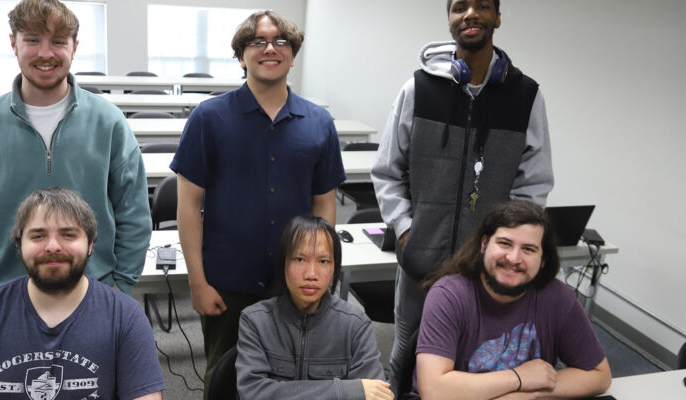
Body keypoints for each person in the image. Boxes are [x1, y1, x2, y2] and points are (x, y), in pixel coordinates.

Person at [370, 0, 554, 390]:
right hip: (421, 259)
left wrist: (508, 246)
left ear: (498, 18)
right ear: (450, 19)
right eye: (459, 7)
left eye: (482, 5)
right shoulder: (418, 88)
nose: (470, 13)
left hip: (488, 264)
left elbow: (533, 184)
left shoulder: (526, 97)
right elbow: (387, 171)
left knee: (476, 354)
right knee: (407, 350)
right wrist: (407, 231)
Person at [170, 10, 346, 396]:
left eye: (281, 41)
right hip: (226, 282)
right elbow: (188, 206)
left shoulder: (319, 122)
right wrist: (197, 282)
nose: (270, 48)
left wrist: (322, 272)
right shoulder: (209, 117)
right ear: (241, 56)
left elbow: (324, 207)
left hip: (294, 281)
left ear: (293, 54)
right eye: (257, 42)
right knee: (224, 380)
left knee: (293, 378)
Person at [0, 0, 151, 299]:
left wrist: (120, 285)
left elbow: (133, 212)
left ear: (74, 47)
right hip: (9, 293)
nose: (45, 53)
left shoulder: (109, 121)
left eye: (57, 41)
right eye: (32, 40)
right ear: (13, 44)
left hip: (96, 291)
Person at [0, 188, 165, 400]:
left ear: (91, 244)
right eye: (38, 236)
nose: (53, 246)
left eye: (68, 235)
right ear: (19, 244)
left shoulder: (126, 317)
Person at [411, 200, 610, 399]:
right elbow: (435, 392)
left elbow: (600, 376)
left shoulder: (557, 298)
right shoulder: (449, 295)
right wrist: (519, 378)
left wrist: (527, 395)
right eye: (505, 244)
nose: (514, 258)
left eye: (529, 249)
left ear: (543, 261)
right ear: (484, 244)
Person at [236, 215, 393, 400]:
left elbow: (376, 395)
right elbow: (254, 393)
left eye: (323, 261)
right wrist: (344, 391)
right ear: (283, 264)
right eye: (300, 259)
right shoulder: (255, 321)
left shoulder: (356, 325)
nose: (311, 274)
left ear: (335, 267)